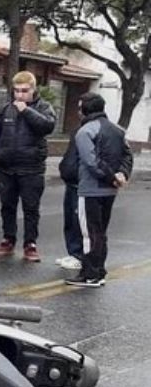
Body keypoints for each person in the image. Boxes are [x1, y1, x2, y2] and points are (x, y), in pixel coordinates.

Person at [0, 71, 57, 262]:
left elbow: (47, 126)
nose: (19, 95)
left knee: (31, 208)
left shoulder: (44, 107)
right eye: (16, 91)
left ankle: (30, 244)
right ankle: (8, 239)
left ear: (33, 90)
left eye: (24, 91)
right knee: (7, 205)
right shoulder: (5, 110)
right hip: (6, 167)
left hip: (31, 168)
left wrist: (26, 110)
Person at [65, 93, 133, 287]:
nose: (78, 112)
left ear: (85, 110)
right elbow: (127, 156)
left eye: (79, 108)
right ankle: (99, 271)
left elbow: (91, 162)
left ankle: (90, 273)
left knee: (89, 233)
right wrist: (121, 175)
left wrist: (111, 177)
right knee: (100, 231)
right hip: (110, 191)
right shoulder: (118, 131)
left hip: (90, 190)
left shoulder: (85, 131)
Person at [56, 114, 85, 271]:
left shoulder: (92, 131)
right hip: (71, 180)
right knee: (70, 220)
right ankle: (73, 252)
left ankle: (79, 255)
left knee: (78, 221)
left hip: (82, 183)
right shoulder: (78, 130)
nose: (79, 112)